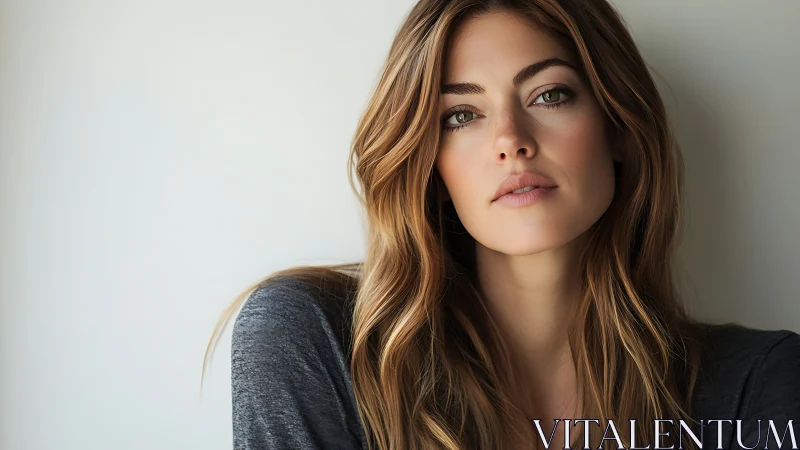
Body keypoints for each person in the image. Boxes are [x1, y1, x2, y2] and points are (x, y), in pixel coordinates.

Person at [202, 0, 800, 449]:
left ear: (618, 127)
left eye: (549, 95)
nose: (511, 141)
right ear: (428, 161)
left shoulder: (754, 386)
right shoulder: (319, 343)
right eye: (462, 114)